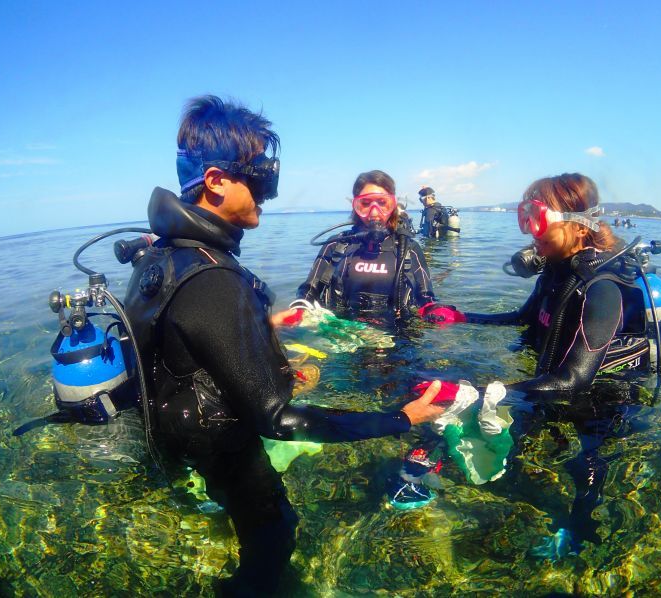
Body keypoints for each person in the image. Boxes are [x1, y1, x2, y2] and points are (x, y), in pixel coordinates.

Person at [123, 96, 445, 596]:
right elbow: (279, 419)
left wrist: (264, 330)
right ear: (215, 180)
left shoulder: (163, 256)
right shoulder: (213, 278)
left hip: (179, 441)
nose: (267, 192)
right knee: (274, 541)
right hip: (224, 455)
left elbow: (186, 347)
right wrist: (400, 419)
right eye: (258, 177)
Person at [417, 173, 661, 549]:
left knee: (583, 465)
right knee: (515, 442)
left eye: (536, 218)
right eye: (524, 217)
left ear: (578, 223)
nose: (529, 231)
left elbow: (574, 381)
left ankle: (578, 531)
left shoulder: (602, 288)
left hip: (600, 399)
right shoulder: (558, 271)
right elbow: (523, 318)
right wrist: (462, 317)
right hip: (548, 383)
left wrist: (469, 392)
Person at [297, 170, 435, 318]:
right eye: (365, 203)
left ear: (393, 205)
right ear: (355, 206)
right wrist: (298, 311)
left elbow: (426, 299)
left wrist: (436, 311)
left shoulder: (409, 248)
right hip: (340, 333)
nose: (374, 213)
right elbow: (309, 291)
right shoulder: (336, 245)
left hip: (397, 336)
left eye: (382, 203)